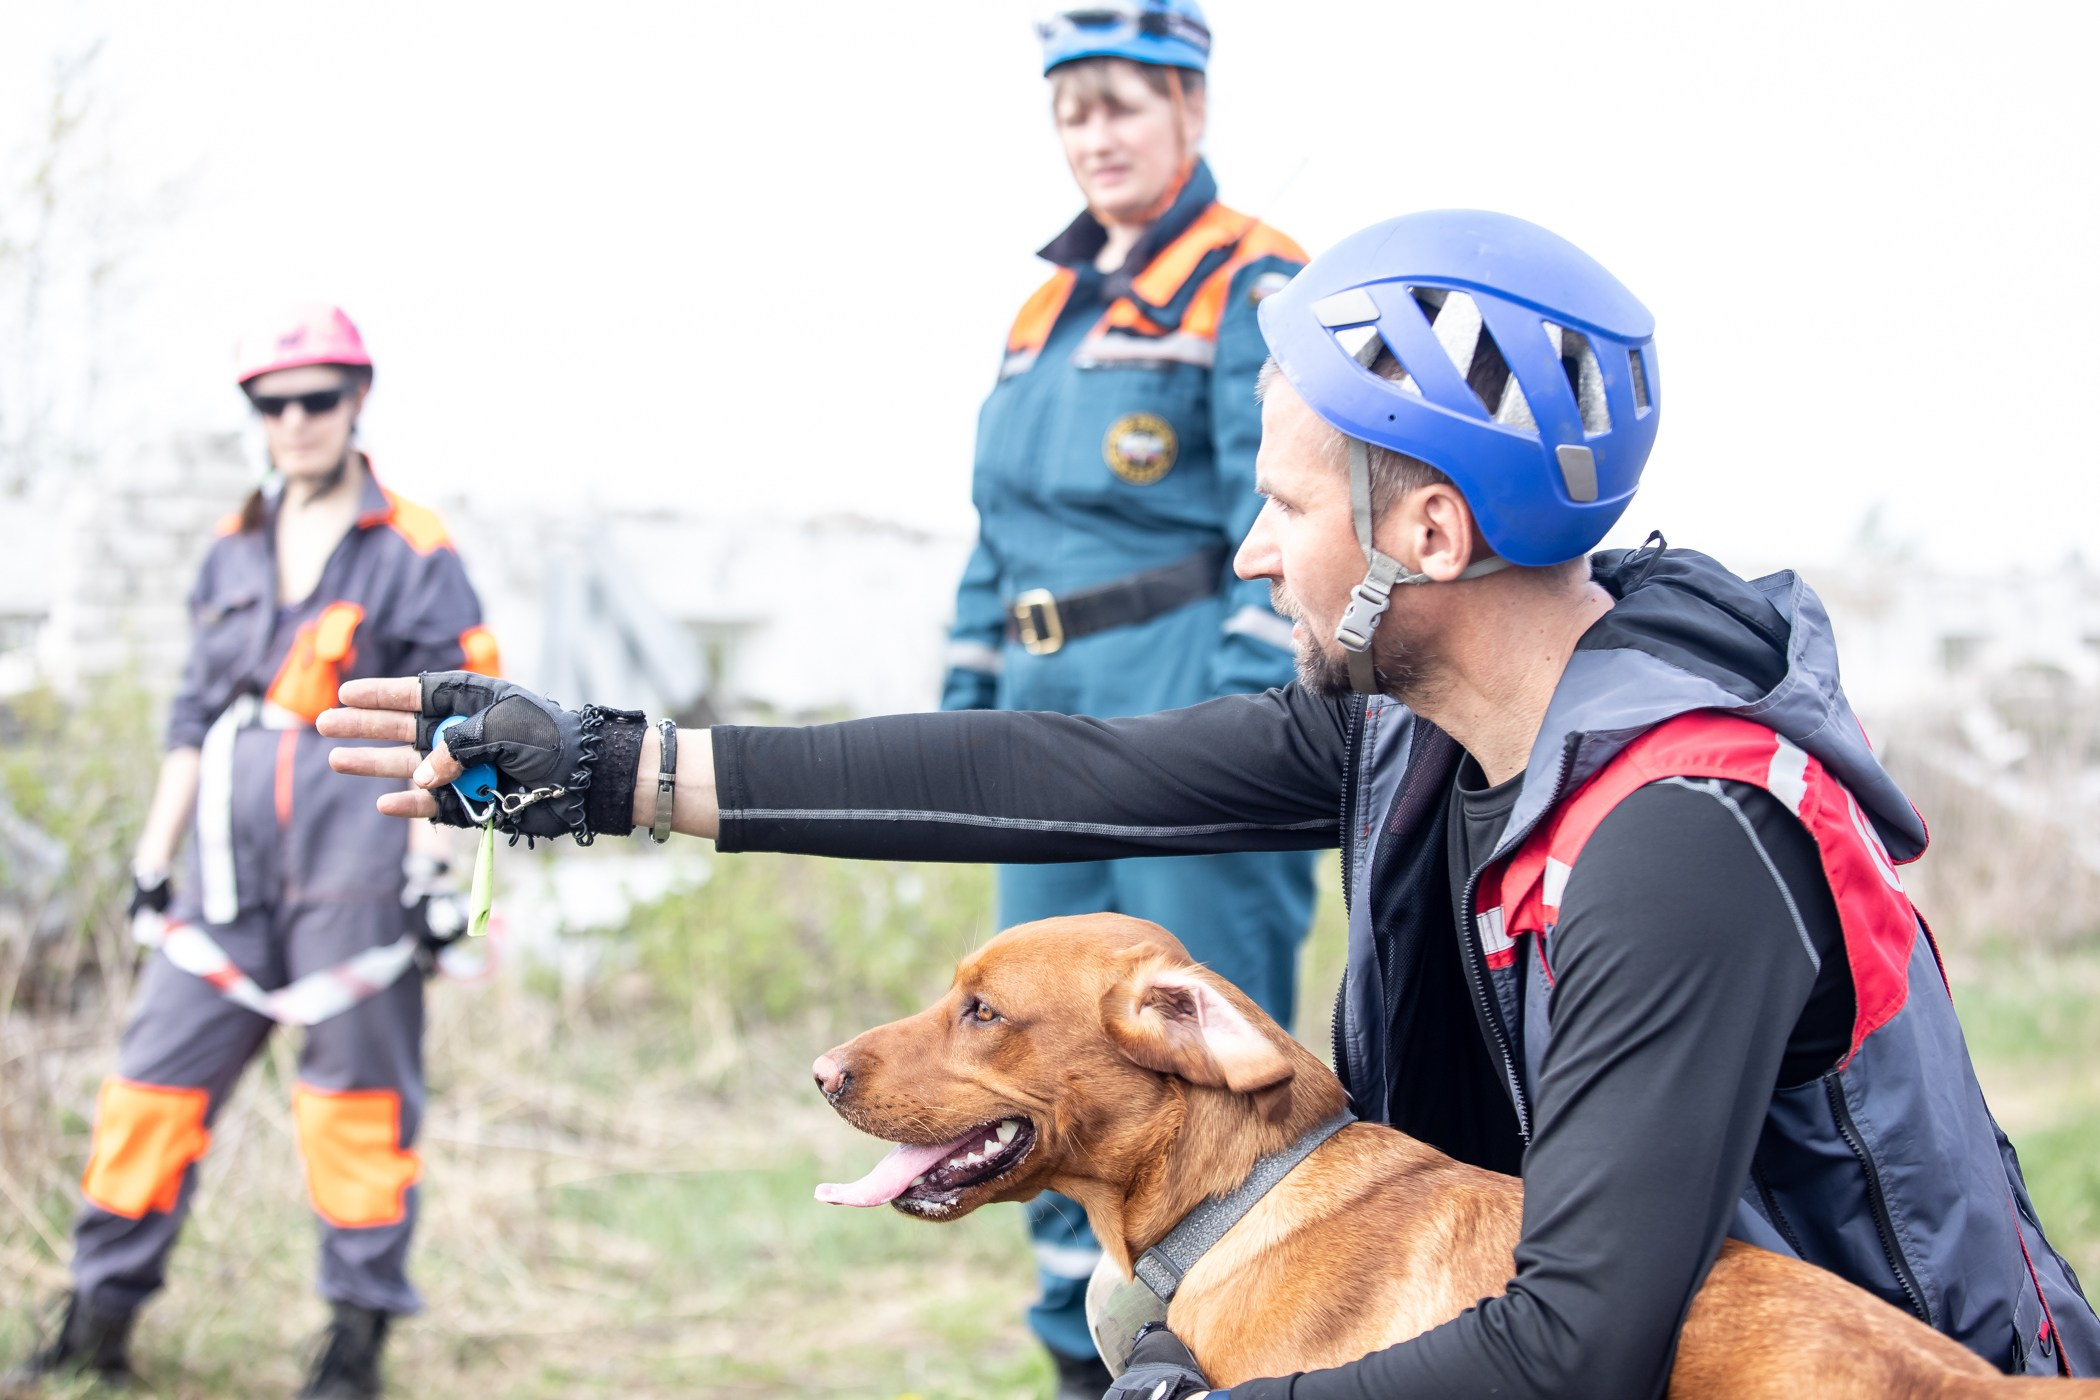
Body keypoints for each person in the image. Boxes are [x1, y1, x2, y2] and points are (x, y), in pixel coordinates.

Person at [319, 212, 2100, 1396]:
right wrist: (616, 770)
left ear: (1425, 537)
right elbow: (1061, 770)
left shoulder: (1684, 841)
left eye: (1287, 505)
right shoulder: (1420, 722)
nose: (1252, 550)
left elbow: (1573, 1347)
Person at [10, 304, 500, 1399]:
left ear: (356, 401)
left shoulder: (414, 549)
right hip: (219, 884)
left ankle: (352, 1345)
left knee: (356, 1116)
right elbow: (193, 718)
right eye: (272, 404)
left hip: (358, 877)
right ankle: (97, 1321)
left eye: (316, 398)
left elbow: (466, 726)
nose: (294, 420)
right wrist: (151, 858)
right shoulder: (231, 545)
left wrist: (434, 882)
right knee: (150, 1089)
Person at [941, 3, 1318, 1383]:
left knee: (1200, 1065)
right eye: (1073, 110)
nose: (1095, 135)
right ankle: (1075, 1356)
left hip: (1178, 698)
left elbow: (1280, 520)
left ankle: (1224, 1352)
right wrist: (969, 724)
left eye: (1124, 104)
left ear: (1193, 111)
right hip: (1042, 724)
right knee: (1019, 1056)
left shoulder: (1255, 281)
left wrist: (1225, 739)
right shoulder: (1041, 308)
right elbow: (998, 536)